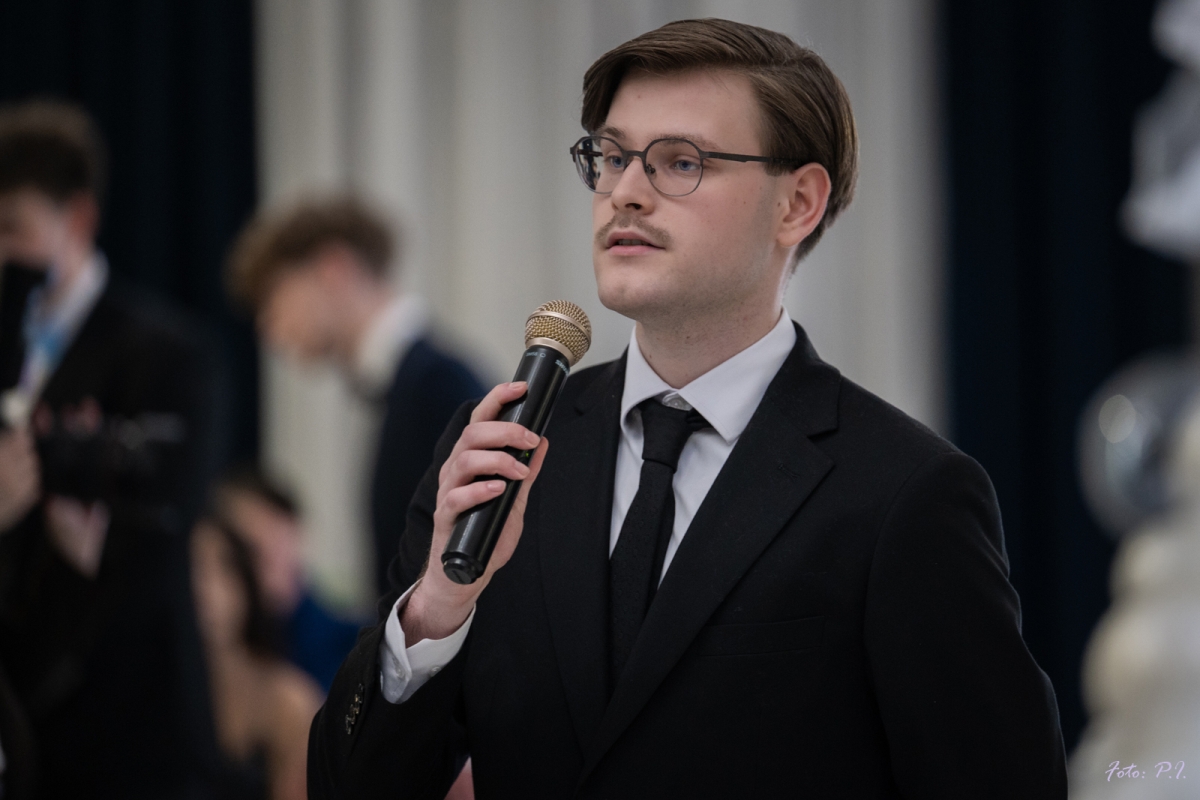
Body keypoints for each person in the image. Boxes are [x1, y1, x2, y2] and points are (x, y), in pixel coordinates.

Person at [308, 18, 1068, 799]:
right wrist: (437, 607)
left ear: (797, 204)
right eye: (611, 157)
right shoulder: (501, 451)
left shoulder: (904, 492)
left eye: (681, 162)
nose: (624, 193)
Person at [0, 100, 224, 797]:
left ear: (77, 219)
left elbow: (173, 514)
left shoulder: (169, 353)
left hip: (132, 721)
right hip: (18, 721)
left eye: (12, 228)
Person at [227, 196, 486, 597]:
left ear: (334, 268)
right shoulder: (411, 384)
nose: (266, 325)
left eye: (274, 294)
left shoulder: (436, 384)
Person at [192, 515, 323, 800]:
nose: (205, 590)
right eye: (191, 571)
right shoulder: (145, 693)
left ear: (247, 583)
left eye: (224, 568)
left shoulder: (288, 700)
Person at [215, 466, 366, 692]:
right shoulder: (208, 658)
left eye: (277, 540)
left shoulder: (358, 647)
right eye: (250, 550)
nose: (270, 556)